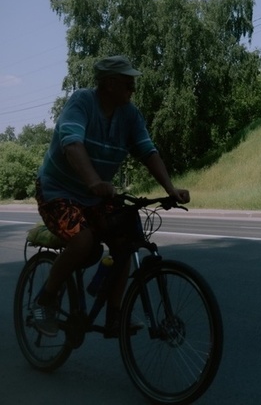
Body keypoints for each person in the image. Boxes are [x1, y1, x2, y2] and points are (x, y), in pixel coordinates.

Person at [32, 55, 190, 337]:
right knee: (83, 241)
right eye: (128, 83)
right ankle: (45, 299)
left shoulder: (129, 115)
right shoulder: (81, 102)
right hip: (57, 190)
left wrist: (170, 189)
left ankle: (115, 316)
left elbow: (148, 152)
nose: (133, 89)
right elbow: (72, 144)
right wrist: (93, 180)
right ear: (108, 84)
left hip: (94, 196)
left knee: (126, 238)